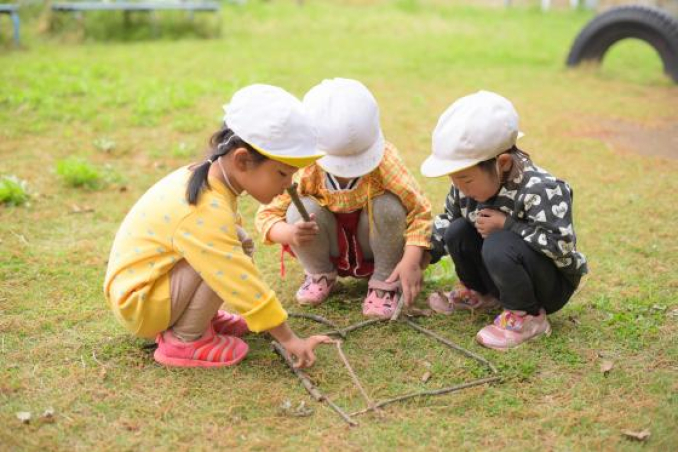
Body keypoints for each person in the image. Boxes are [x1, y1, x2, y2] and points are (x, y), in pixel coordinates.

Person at [103, 84, 331, 368]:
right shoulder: (203, 206)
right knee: (226, 257)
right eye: (282, 173)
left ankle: (199, 319)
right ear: (242, 160)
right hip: (142, 303)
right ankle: (185, 340)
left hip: (148, 287)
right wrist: (288, 338)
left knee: (238, 240)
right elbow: (235, 274)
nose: (288, 185)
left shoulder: (208, 177)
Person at [421, 90, 588, 350]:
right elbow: (447, 220)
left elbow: (561, 246)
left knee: (498, 242)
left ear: (503, 162)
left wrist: (509, 225)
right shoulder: (464, 188)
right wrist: (420, 256)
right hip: (499, 274)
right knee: (457, 230)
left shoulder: (542, 189)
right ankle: (481, 293)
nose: (459, 187)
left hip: (548, 285)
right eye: (453, 179)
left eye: (465, 179)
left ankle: (527, 317)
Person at [256, 78, 432, 319]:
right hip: (329, 243)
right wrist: (288, 233)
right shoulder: (305, 168)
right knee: (301, 208)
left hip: (373, 243)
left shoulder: (385, 162)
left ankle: (385, 281)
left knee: (388, 205)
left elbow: (420, 211)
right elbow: (268, 214)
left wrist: (412, 259)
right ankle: (319, 274)